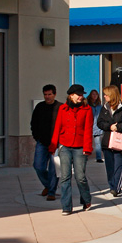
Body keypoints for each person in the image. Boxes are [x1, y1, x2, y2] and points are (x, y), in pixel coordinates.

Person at [50, 84, 94, 215]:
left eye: (82, 94)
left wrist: (87, 147)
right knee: (65, 177)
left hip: (80, 147)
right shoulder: (62, 109)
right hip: (65, 146)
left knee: (80, 177)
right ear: (71, 95)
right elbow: (57, 127)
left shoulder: (87, 109)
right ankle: (66, 206)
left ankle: (86, 199)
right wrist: (53, 146)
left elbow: (88, 130)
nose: (81, 97)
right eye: (78, 94)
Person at [96, 85, 122, 197]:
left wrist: (119, 127)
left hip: (119, 141)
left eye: (106, 94)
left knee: (118, 165)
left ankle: (116, 187)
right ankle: (111, 185)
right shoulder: (104, 108)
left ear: (112, 95)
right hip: (107, 141)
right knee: (109, 166)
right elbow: (100, 122)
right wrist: (109, 126)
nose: (104, 96)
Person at [30, 84, 60, 200]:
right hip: (42, 142)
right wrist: (36, 136)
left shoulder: (60, 107)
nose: (47, 97)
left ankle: (51, 192)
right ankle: (48, 185)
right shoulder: (39, 107)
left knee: (54, 168)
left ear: (54, 94)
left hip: (56, 144)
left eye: (49, 94)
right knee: (38, 166)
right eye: (45, 94)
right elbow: (33, 123)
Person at [87, 89, 104, 163]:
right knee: (88, 143)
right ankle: (86, 156)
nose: (94, 96)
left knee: (98, 143)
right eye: (93, 94)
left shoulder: (99, 106)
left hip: (97, 127)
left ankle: (99, 157)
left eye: (96, 94)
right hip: (89, 126)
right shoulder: (87, 105)